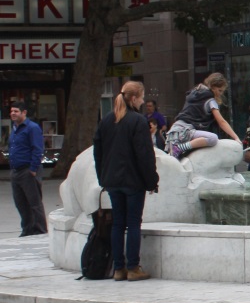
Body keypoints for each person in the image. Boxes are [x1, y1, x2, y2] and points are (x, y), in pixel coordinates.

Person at [92, 81, 159, 281]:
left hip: (112, 181)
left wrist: (103, 176)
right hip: (133, 181)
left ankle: (118, 268)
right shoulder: (137, 121)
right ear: (133, 98)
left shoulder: (106, 121)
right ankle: (133, 267)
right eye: (141, 97)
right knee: (133, 223)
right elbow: (144, 155)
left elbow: (98, 152)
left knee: (118, 224)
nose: (143, 100)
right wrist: (151, 180)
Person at [166, 73, 242, 157]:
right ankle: (180, 148)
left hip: (175, 131)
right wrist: (236, 138)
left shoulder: (194, 93)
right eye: (219, 90)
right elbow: (221, 122)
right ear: (213, 87)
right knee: (212, 138)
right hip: (185, 131)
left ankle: (179, 148)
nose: (220, 94)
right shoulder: (210, 101)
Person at [8, 101, 46, 237]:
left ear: (24, 113)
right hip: (15, 171)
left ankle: (40, 229)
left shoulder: (32, 128)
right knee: (20, 202)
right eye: (12, 111)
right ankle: (27, 229)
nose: (13, 113)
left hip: (28, 170)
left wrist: (33, 168)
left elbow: (38, 149)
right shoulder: (14, 129)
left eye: (16, 111)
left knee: (34, 202)